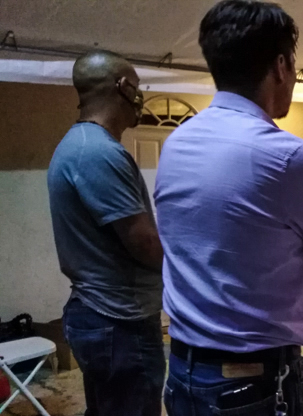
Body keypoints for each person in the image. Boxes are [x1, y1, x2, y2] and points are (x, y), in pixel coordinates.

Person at [154, 2, 303, 415]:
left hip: (184, 371)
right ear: (281, 66)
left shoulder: (178, 143)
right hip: (255, 382)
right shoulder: (289, 158)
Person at [47, 50, 165, 416]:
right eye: (137, 87)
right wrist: (195, 268)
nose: (140, 97)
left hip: (104, 316)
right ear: (123, 87)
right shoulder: (98, 152)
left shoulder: (83, 145)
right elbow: (143, 243)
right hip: (119, 321)